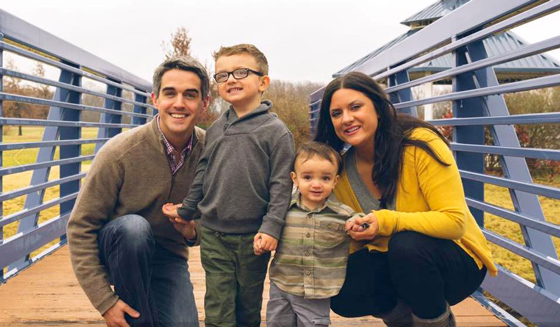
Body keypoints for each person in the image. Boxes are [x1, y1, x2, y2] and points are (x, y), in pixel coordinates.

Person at [314, 71, 497, 327]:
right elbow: (353, 248)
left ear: (377, 108)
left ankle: (435, 322)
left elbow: (454, 222)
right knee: (339, 282)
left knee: (406, 245)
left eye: (356, 107)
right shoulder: (341, 171)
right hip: (395, 264)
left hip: (455, 262)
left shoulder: (420, 144)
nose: (347, 118)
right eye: (336, 113)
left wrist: (387, 221)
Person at [67, 56, 210, 327]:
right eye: (170, 93)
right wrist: (105, 302)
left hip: (168, 258)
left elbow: (218, 219)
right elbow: (80, 227)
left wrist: (193, 230)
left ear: (204, 103)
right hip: (117, 251)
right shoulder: (119, 152)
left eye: (190, 95)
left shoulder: (212, 152)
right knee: (134, 228)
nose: (179, 103)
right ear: (155, 99)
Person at [162, 44, 295, 327]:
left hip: (253, 239)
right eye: (222, 75)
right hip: (214, 235)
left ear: (263, 82)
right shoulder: (215, 130)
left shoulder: (276, 132)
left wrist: (271, 227)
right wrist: (187, 210)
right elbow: (203, 174)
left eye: (241, 72)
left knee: (248, 307)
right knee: (219, 308)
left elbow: (281, 185)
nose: (231, 79)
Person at [264, 142, 365, 327]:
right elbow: (268, 227)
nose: (316, 184)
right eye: (308, 177)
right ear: (295, 179)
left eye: (325, 178)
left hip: (317, 289)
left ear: (335, 181)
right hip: (282, 283)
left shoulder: (342, 215)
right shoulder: (282, 211)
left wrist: (358, 224)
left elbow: (359, 220)